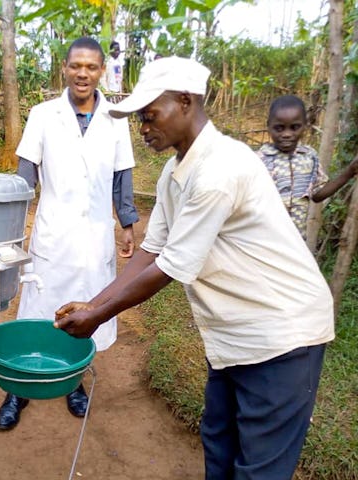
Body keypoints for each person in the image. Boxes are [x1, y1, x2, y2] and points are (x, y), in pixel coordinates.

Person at [54, 56, 334, 479]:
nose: (144, 129)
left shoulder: (221, 169)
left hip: (282, 334)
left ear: (185, 102)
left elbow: (171, 266)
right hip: (235, 334)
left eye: (150, 117)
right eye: (139, 121)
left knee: (260, 466)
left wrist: (98, 315)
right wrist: (91, 303)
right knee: (219, 443)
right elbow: (151, 251)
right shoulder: (174, 172)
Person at [0, 37, 139, 431]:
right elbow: (26, 177)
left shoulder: (115, 119)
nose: (83, 74)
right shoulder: (43, 115)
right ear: (64, 67)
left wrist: (126, 224)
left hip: (95, 238)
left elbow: (122, 176)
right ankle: (18, 388)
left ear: (100, 71)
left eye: (91, 67)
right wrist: (11, 230)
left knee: (86, 311)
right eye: (76, 65)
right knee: (37, 310)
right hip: (53, 235)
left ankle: (73, 383)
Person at [257, 94, 358, 239]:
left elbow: (317, 195)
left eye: (294, 127)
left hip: (296, 242)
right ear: (268, 126)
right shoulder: (258, 160)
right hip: (264, 240)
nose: (286, 134)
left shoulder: (309, 156)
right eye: (279, 128)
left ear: (305, 125)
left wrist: (348, 172)